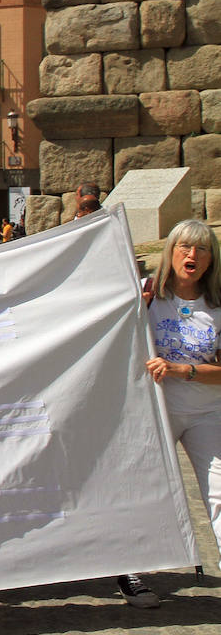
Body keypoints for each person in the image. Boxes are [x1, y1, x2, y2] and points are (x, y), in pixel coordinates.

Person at [130, 219, 221, 608]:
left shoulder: (217, 305)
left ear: (211, 259)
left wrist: (184, 370)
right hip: (156, 410)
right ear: (171, 252)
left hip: (207, 413)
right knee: (142, 489)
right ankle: (131, 570)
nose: (193, 255)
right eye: (185, 247)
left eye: (201, 249)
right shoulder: (149, 296)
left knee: (219, 493)